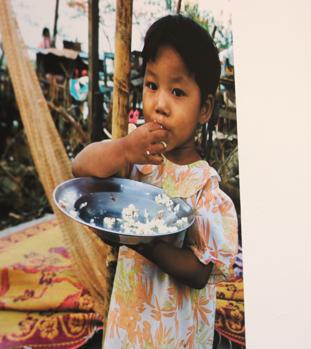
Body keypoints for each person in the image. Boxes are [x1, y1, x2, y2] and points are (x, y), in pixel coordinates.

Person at [72, 15, 238, 348]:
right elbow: (80, 167)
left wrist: (140, 241)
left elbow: (199, 271)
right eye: (152, 86)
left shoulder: (204, 186)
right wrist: (122, 148)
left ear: (204, 109)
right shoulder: (138, 162)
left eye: (177, 92)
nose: (159, 105)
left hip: (176, 334)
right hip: (130, 325)